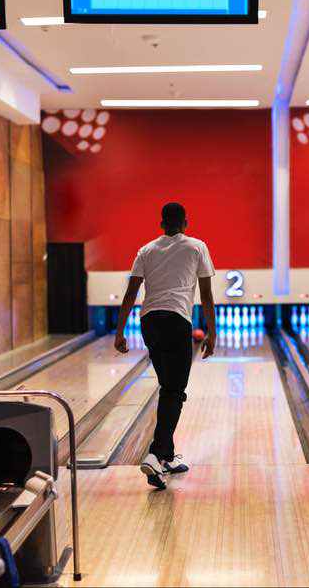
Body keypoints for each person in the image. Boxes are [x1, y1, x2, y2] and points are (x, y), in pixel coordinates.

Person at [115, 202, 216, 490]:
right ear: (186, 222)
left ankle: (168, 456)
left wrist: (119, 331)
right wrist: (212, 333)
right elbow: (206, 295)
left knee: (168, 387)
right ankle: (156, 455)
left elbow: (131, 293)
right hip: (176, 321)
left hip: (149, 322)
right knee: (174, 390)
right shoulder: (197, 246)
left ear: (161, 224)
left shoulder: (146, 250)